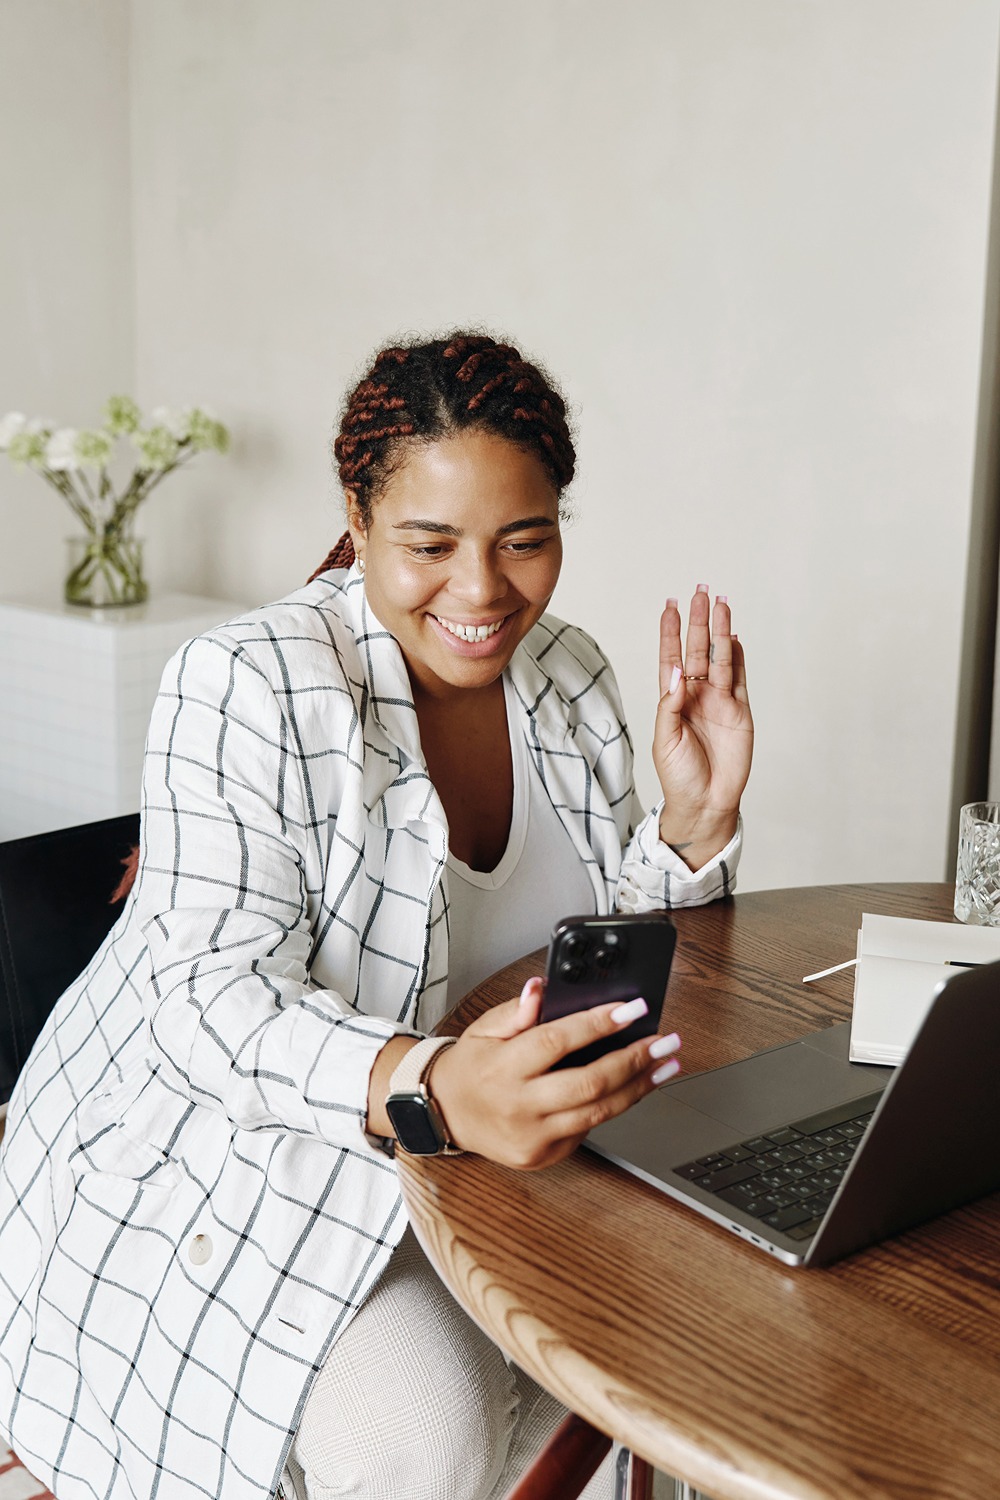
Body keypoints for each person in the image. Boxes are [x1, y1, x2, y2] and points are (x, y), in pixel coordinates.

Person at [0, 333, 753, 1500]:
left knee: (725, 1304)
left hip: (499, 1151)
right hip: (253, 1152)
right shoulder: (250, 680)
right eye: (429, 544)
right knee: (420, 1438)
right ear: (355, 520)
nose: (481, 591)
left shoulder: (574, 679)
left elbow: (611, 960)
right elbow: (209, 1003)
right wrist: (438, 1088)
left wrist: (692, 827)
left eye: (524, 539)